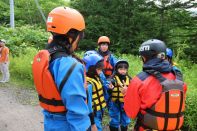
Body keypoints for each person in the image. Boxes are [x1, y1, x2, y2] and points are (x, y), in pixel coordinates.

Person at [32, 7, 90, 131]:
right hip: (66, 125)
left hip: (50, 122)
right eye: (80, 36)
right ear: (72, 34)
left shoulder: (47, 57)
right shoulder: (69, 65)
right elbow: (77, 113)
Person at [124, 39, 187, 131]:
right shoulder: (179, 79)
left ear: (144, 58)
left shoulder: (139, 80)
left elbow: (131, 113)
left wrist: (126, 94)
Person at [83, 52, 107, 131]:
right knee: (97, 128)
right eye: (98, 69)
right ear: (91, 69)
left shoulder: (96, 77)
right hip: (93, 113)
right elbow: (89, 105)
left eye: (101, 69)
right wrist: (92, 123)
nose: (100, 71)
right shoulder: (88, 84)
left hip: (99, 110)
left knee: (99, 126)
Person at [108, 60, 131, 131]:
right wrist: (110, 89)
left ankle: (124, 128)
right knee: (114, 119)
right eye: (121, 69)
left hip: (125, 103)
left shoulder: (130, 79)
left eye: (125, 69)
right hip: (115, 103)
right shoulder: (112, 80)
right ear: (116, 69)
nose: (123, 71)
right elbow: (108, 91)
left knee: (125, 119)